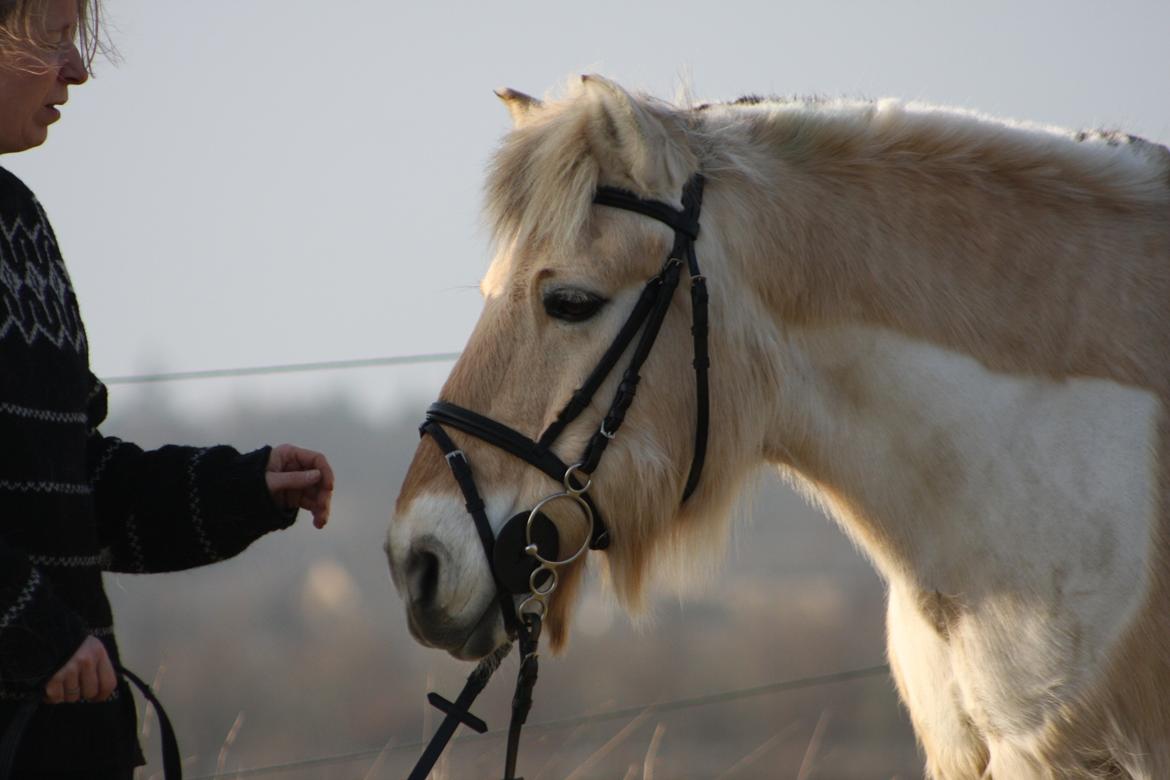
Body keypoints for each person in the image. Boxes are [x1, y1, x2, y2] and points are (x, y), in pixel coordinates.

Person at [0, 0, 335, 776]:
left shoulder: (21, 225)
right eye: (53, 37)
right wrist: (35, 633)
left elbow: (80, 492)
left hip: (66, 744)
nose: (78, 69)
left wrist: (246, 487)